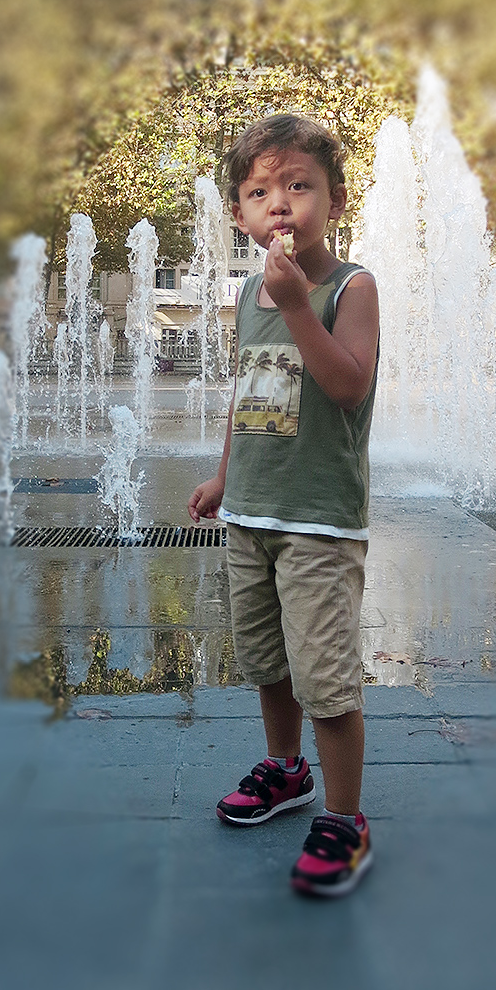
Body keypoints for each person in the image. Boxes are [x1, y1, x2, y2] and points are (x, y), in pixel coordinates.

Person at [188, 114, 380, 897]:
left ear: (335, 200)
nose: (280, 204)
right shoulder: (247, 289)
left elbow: (348, 386)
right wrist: (224, 478)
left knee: (324, 678)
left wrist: (299, 306)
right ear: (239, 214)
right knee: (268, 661)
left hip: (317, 523)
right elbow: (249, 392)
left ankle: (345, 818)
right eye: (260, 192)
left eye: (299, 186)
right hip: (251, 515)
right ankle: (285, 769)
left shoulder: (349, 288)